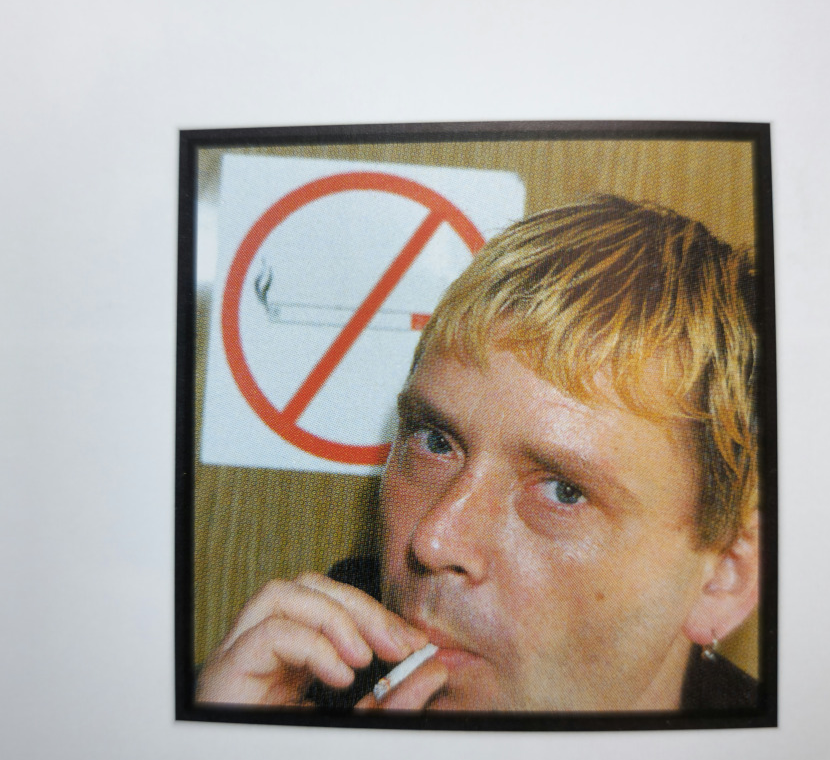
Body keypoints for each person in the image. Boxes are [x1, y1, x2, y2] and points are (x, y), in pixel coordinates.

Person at [197, 196, 760, 714]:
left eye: (563, 491)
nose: (433, 541)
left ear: (723, 581)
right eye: (435, 442)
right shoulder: (281, 692)